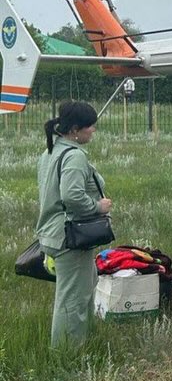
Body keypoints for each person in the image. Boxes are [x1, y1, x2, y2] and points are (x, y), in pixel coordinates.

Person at [36, 101, 112, 347]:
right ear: (75, 130)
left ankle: (84, 342)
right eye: (90, 126)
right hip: (70, 236)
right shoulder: (75, 156)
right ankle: (67, 354)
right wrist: (98, 207)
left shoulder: (50, 152)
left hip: (55, 233)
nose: (93, 130)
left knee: (84, 288)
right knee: (72, 300)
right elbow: (71, 196)